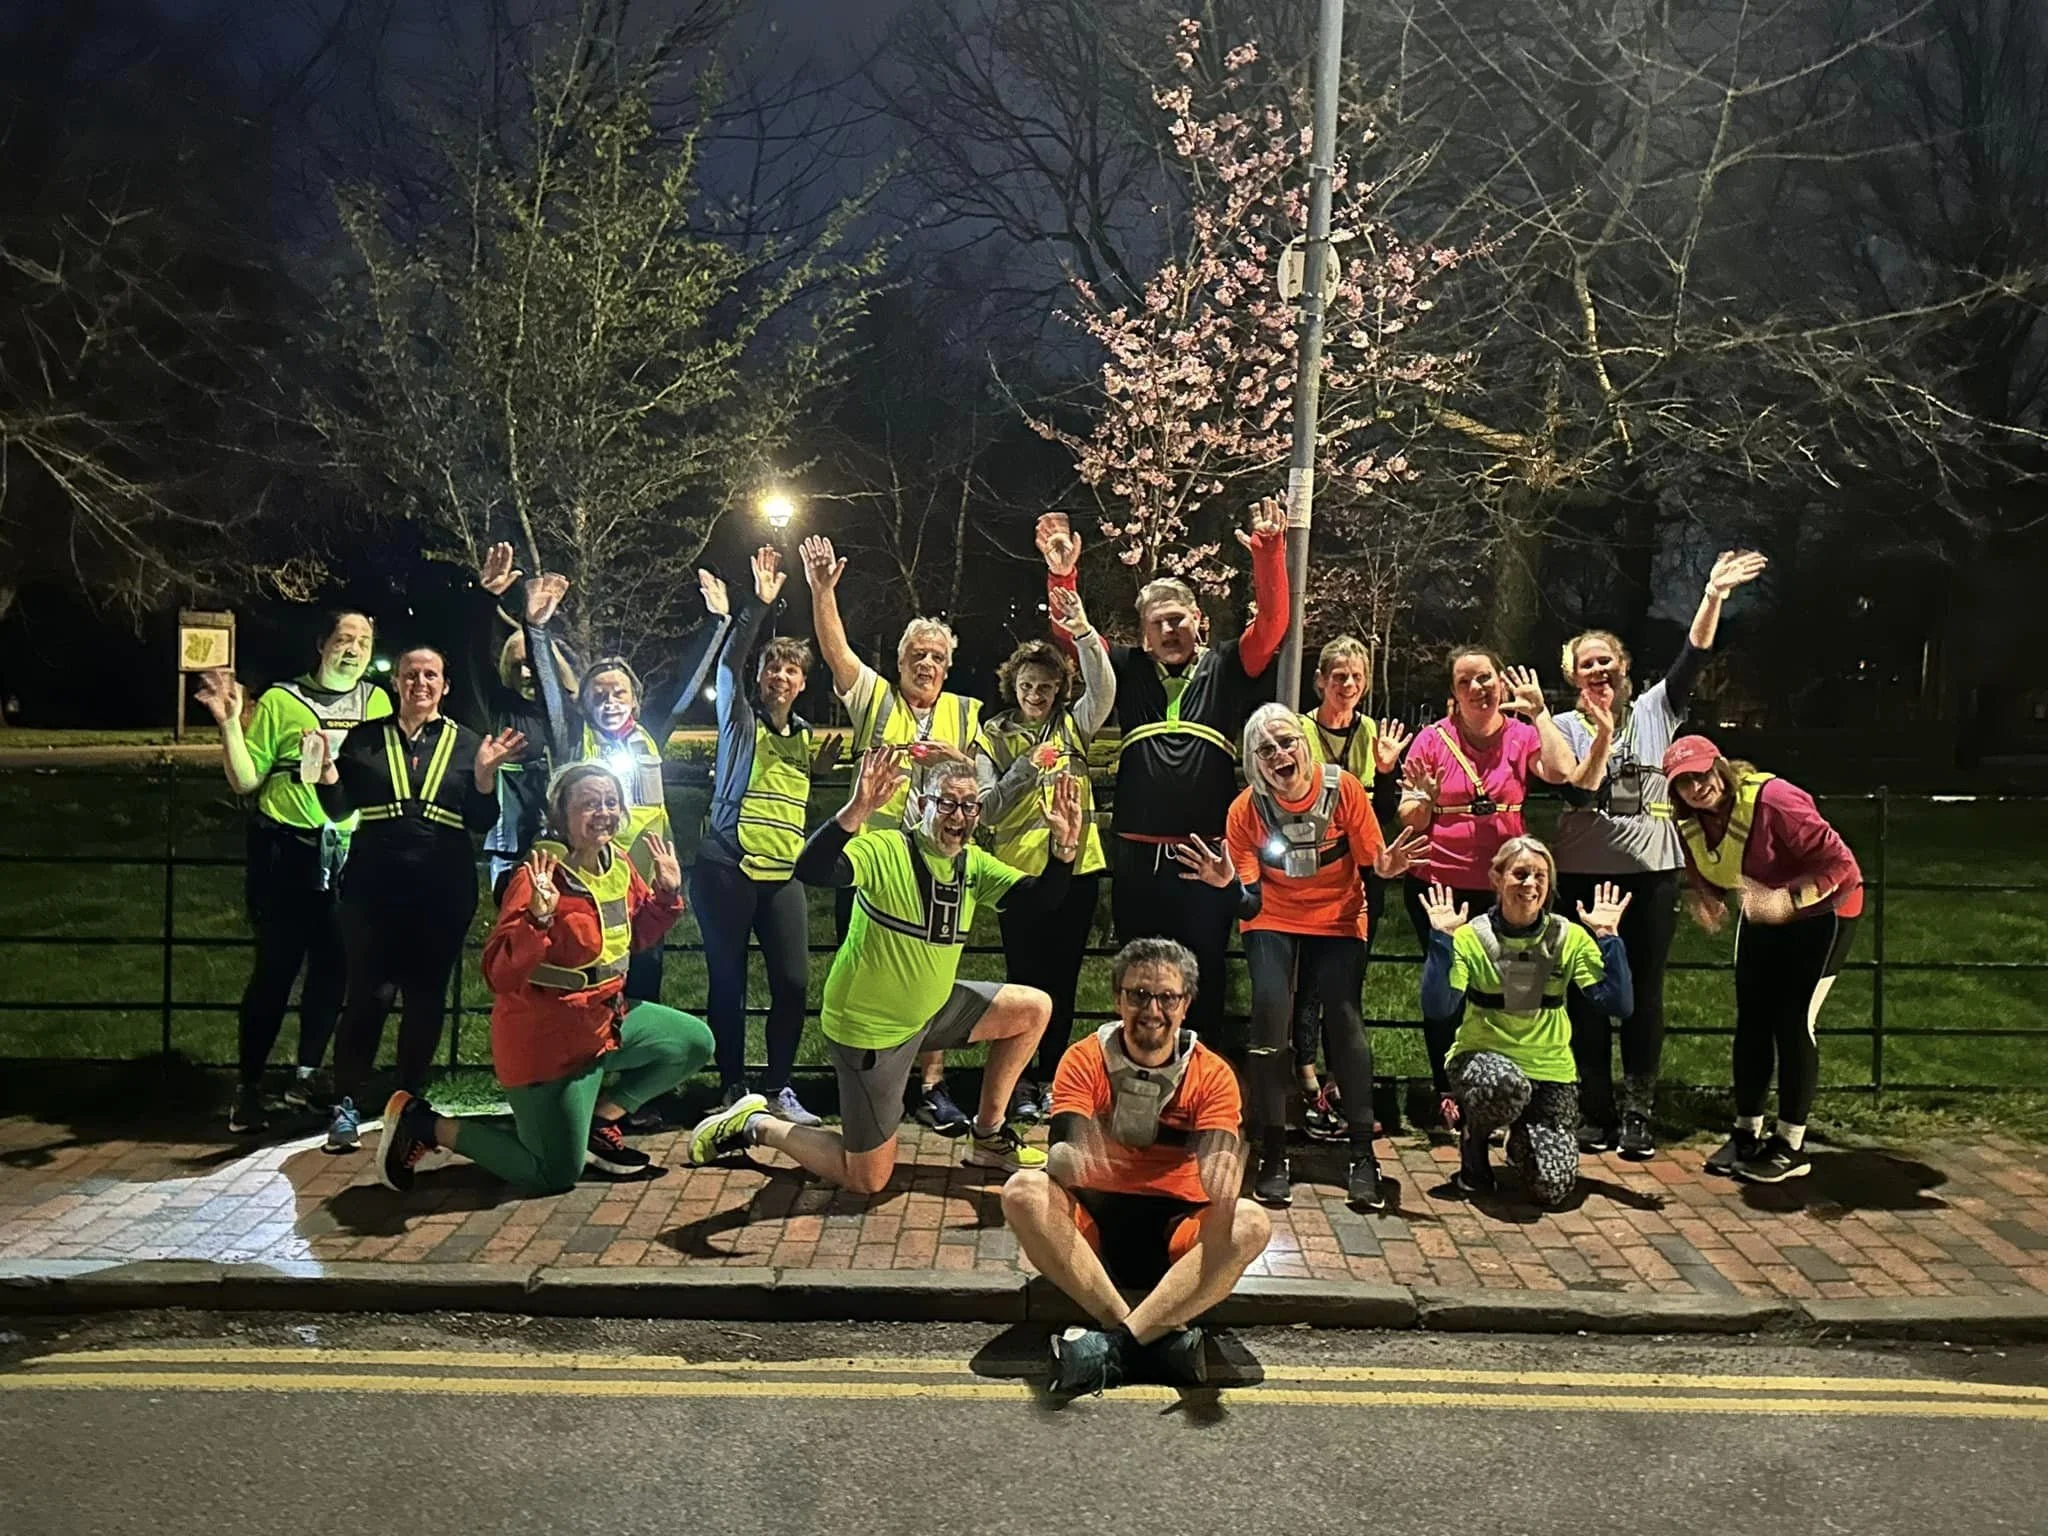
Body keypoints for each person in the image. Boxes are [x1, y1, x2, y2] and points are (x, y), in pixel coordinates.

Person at [684, 750, 1079, 1195]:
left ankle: (988, 1137)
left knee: (1033, 1008)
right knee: (866, 1179)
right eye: (947, 803)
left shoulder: (972, 864)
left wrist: (1063, 850)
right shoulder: (888, 849)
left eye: (970, 806)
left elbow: (1040, 900)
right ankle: (757, 1123)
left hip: (931, 1011)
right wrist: (855, 811)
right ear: (922, 805)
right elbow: (814, 869)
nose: (959, 816)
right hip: (871, 1031)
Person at [372, 763, 714, 1194]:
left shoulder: (618, 863)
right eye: (588, 804)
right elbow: (498, 974)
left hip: (604, 1024)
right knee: (553, 1174)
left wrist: (666, 895)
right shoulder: (539, 875)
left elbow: (635, 938)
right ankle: (424, 1124)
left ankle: (597, 1121)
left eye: (610, 802)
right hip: (546, 1041)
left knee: (693, 1042)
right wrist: (537, 919)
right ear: (561, 816)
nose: (603, 812)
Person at [1035, 501, 1290, 1051]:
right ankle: (1138, 1071)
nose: (1170, 628)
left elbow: (1272, 626)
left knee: (1204, 977)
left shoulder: (1227, 664)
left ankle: (1201, 1083)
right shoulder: (1126, 668)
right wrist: (1062, 574)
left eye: (1178, 618)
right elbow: (1070, 635)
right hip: (1137, 861)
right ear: (1144, 634)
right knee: (1139, 975)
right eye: (1158, 623)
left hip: (1205, 859)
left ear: (1199, 620)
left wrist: (1270, 551)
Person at [1550, 551, 1769, 1159]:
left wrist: (1712, 596)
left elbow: (1693, 655)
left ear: (1623, 668)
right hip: (1582, 875)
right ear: (1573, 676)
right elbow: (1575, 789)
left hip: (1651, 878)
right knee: (1586, 992)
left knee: (1643, 995)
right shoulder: (1562, 727)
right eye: (1586, 664)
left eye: (1606, 661)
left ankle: (1637, 1111)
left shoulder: (1654, 710)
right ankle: (1594, 1108)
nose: (1598, 670)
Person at [1171, 704, 1428, 1210]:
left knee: (1343, 1013)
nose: (1279, 755)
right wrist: (1226, 885)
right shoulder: (1246, 809)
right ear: (1254, 761)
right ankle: (1273, 1149)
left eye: (1287, 742)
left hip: (1338, 914)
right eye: (1265, 750)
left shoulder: (1344, 789)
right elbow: (1249, 901)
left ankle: (1361, 1153)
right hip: (1274, 913)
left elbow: (1373, 863)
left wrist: (1387, 869)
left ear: (1305, 745)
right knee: (1270, 1011)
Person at [1001, 937, 1270, 1396]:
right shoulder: (1085, 1058)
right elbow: (1062, 1150)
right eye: (1139, 995)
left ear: (1186, 1005)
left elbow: (1221, 1151)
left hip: (1178, 1229)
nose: (1152, 1010)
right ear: (1118, 1000)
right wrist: (1077, 1156)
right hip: (1094, 1225)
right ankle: (1150, 1338)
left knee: (1251, 1221)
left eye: (1167, 997)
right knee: (1022, 1191)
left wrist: (1223, 1172)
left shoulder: (1212, 1073)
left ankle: (1115, 1346)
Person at [801, 533, 984, 1134]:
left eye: (936, 656)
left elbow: (988, 782)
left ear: (948, 666)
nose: (926, 664)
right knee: (864, 968)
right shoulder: (876, 700)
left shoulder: (966, 712)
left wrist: (954, 758)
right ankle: (869, 1077)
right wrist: (822, 591)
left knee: (934, 973)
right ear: (900, 661)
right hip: (872, 865)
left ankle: (930, 1086)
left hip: (939, 867)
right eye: (916, 654)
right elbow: (836, 653)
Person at [312, 647, 524, 1151]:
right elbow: (338, 809)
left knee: (426, 997)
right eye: (410, 674)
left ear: (445, 685)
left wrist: (485, 778)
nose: (420, 683)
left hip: (441, 888)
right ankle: (346, 1102)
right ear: (397, 683)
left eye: (431, 675)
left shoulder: (469, 744)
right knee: (369, 994)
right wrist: (324, 771)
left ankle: (406, 1102)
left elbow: (481, 822)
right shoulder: (364, 740)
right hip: (372, 887)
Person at [194, 610, 388, 1133]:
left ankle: (306, 1078)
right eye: (343, 638)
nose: (353, 649)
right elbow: (246, 779)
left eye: (364, 641)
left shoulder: (378, 703)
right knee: (275, 970)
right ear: (321, 644)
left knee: (334, 969)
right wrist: (229, 724)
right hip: (286, 851)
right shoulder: (282, 700)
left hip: (348, 854)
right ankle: (249, 1088)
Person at [1664, 735, 1862, 1184]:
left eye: (1702, 774)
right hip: (1762, 911)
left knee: (1793, 1022)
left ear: (1720, 767)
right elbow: (1705, 863)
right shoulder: (1691, 820)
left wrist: (1788, 901)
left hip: (1825, 911)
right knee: (1752, 1020)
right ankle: (1746, 1132)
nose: (1697, 787)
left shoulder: (1776, 800)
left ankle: (1790, 1143)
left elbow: (1841, 864)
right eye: (1683, 783)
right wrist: (1707, 896)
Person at [1397, 647, 1580, 1122]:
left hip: (1510, 888)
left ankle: (1517, 1086)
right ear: (1453, 695)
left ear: (1502, 683)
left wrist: (1540, 714)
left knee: (1519, 985)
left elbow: (1563, 772)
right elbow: (1410, 817)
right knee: (1450, 987)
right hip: (1442, 886)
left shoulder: (1521, 735)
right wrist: (1427, 799)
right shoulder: (1432, 740)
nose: (1478, 688)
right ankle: (1451, 1088)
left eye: (1485, 678)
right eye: (1465, 682)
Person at [526, 586, 732, 1004]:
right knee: (589, 975)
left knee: (644, 979)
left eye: (619, 692)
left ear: (636, 701)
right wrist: (536, 629)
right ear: (583, 704)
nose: (610, 701)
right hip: (583, 885)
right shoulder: (572, 737)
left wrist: (718, 622)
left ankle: (638, 1040)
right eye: (598, 695)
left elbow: (685, 683)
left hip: (644, 886)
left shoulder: (650, 732)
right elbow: (548, 688)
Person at [692, 547, 840, 1125]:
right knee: (727, 983)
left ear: (802, 683)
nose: (780, 676)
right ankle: (732, 1085)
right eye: (772, 668)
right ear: (759, 677)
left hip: (783, 875)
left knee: (794, 983)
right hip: (726, 869)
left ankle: (778, 1087)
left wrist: (819, 773)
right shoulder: (740, 721)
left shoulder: (803, 736)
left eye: (791, 670)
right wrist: (755, 605)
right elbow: (727, 666)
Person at [1419, 838, 1634, 1208]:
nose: (1530, 884)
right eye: (1520, 874)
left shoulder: (1568, 937)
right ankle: (1474, 1136)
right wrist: (1441, 940)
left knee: (1553, 1187)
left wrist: (1608, 938)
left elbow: (1617, 1004)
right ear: (1497, 879)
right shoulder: (1471, 937)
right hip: (1482, 1062)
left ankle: (1520, 1138)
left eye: (1540, 876)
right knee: (1507, 1084)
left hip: (1550, 1070)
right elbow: (1438, 1007)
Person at [973, 584, 1115, 1123]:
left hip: (1076, 871)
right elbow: (986, 809)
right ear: (1013, 686)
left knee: (1064, 980)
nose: (1036, 695)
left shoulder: (1074, 726)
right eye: (1027, 685)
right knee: (1022, 982)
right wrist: (1026, 767)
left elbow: (1104, 688)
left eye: (1047, 687)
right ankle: (1020, 1079)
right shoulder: (993, 735)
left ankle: (1053, 1077)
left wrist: (1083, 632)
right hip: (1018, 877)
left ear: (1060, 689)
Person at [1292, 635, 1411, 1140]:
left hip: (1360, 877)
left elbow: (1384, 815)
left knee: (1345, 983)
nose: (1348, 684)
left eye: (1356, 677)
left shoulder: (1373, 735)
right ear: (1320, 681)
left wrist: (1385, 771)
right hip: (1306, 874)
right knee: (1305, 982)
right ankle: (1305, 1080)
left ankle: (1340, 1082)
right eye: (1338, 675)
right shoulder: (1298, 729)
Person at [468, 543, 578, 899]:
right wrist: (486, 599)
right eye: (517, 665)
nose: (527, 672)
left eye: (532, 663)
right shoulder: (500, 710)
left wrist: (537, 631)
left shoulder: (566, 715)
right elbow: (475, 659)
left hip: (567, 846)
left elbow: (550, 688)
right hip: (510, 850)